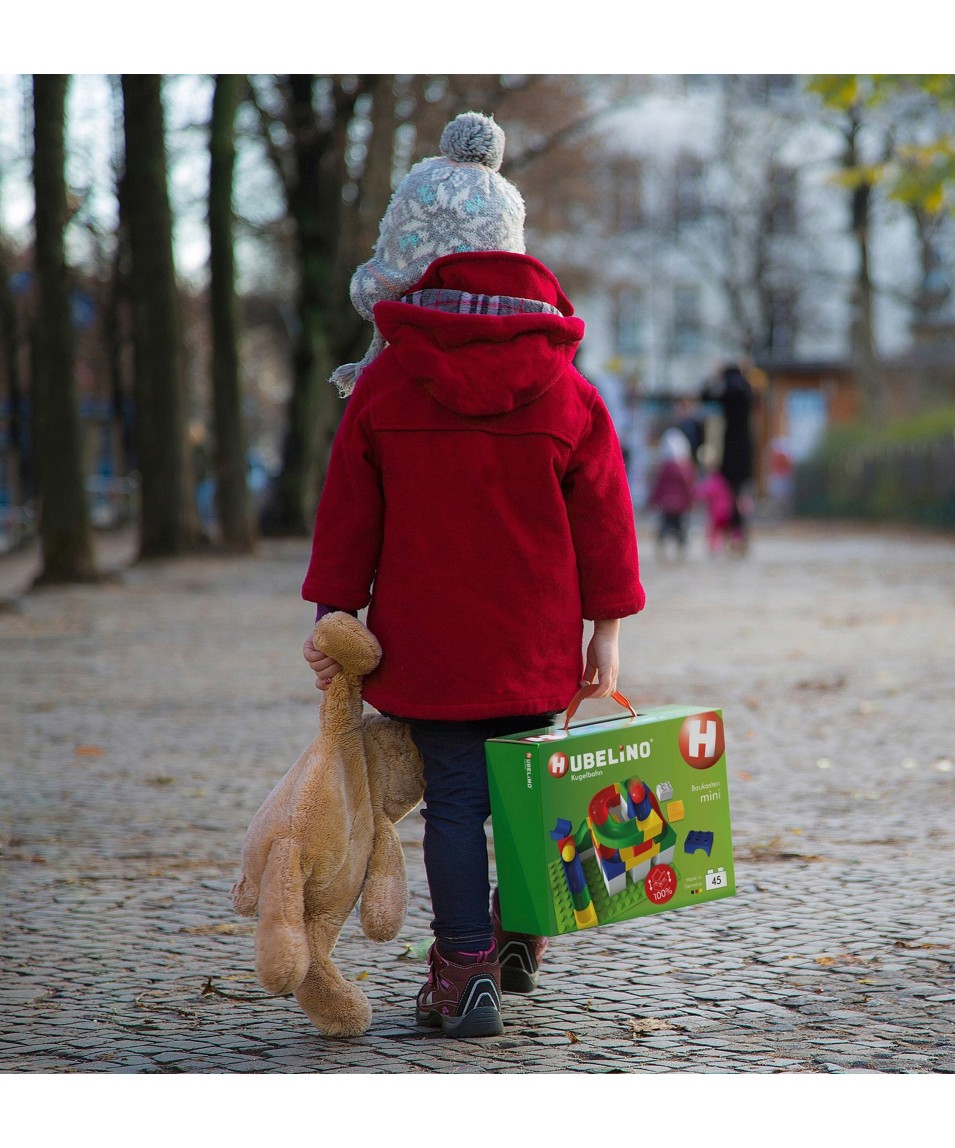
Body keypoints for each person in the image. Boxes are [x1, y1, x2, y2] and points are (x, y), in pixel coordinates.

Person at [300, 113, 645, 1039]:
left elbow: (350, 513)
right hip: (533, 638)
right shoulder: (567, 384)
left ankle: (462, 972)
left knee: (455, 802)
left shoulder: (386, 382)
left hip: (433, 637)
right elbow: (605, 518)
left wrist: (338, 612)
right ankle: (522, 930)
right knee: (530, 790)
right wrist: (605, 633)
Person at [701, 364, 755, 552]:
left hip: (730, 451)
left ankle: (733, 533)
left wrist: (713, 378)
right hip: (746, 450)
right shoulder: (746, 389)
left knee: (729, 496)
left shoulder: (726, 391)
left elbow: (705, 396)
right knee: (739, 495)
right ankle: (739, 534)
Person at [649, 428, 696, 557]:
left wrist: (653, 500)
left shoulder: (663, 467)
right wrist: (690, 500)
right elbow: (688, 486)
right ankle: (681, 548)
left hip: (666, 503)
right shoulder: (686, 468)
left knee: (665, 526)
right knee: (680, 527)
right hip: (680, 505)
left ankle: (661, 545)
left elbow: (658, 485)